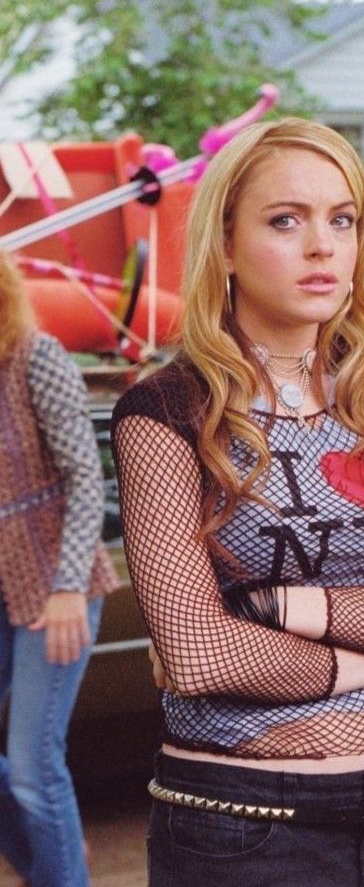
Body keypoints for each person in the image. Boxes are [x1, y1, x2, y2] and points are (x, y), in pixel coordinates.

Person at [111, 117, 364, 887]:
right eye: (286, 220)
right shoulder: (167, 412)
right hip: (240, 826)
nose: (322, 246)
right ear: (224, 245)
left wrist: (282, 608)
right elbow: (199, 653)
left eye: (341, 220)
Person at [0, 251, 119, 887]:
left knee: (33, 766)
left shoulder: (35, 356)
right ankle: (53, 863)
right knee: (26, 776)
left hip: (56, 585)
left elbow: (84, 477)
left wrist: (70, 585)